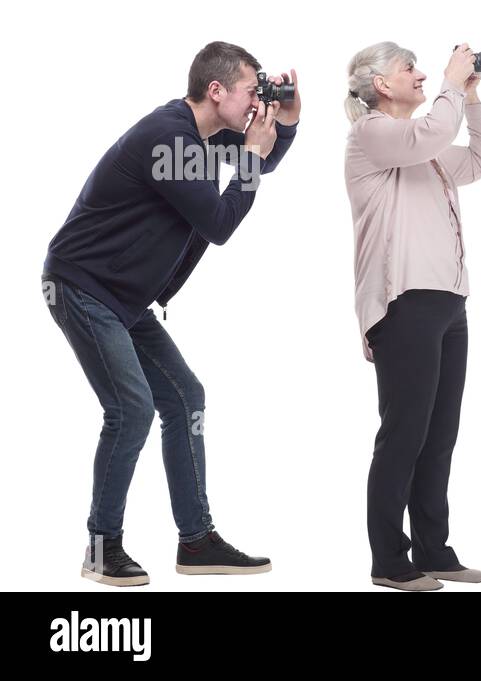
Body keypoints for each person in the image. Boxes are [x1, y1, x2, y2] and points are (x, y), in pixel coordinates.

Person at [41, 41, 298, 586]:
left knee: (185, 399)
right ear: (216, 91)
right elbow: (221, 222)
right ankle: (100, 546)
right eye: (252, 92)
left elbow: (262, 157)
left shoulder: (201, 135)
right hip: (81, 286)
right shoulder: (169, 139)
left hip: (122, 298)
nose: (258, 102)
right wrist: (251, 155)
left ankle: (197, 541)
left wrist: (288, 123)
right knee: (131, 409)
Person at [344, 42, 481, 591]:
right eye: (409, 68)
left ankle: (435, 551)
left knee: (440, 434)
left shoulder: (425, 150)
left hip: (448, 302)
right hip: (403, 301)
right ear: (381, 85)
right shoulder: (373, 136)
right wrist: (452, 88)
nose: (423, 74)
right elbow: (428, 133)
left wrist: (472, 99)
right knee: (404, 433)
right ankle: (389, 561)